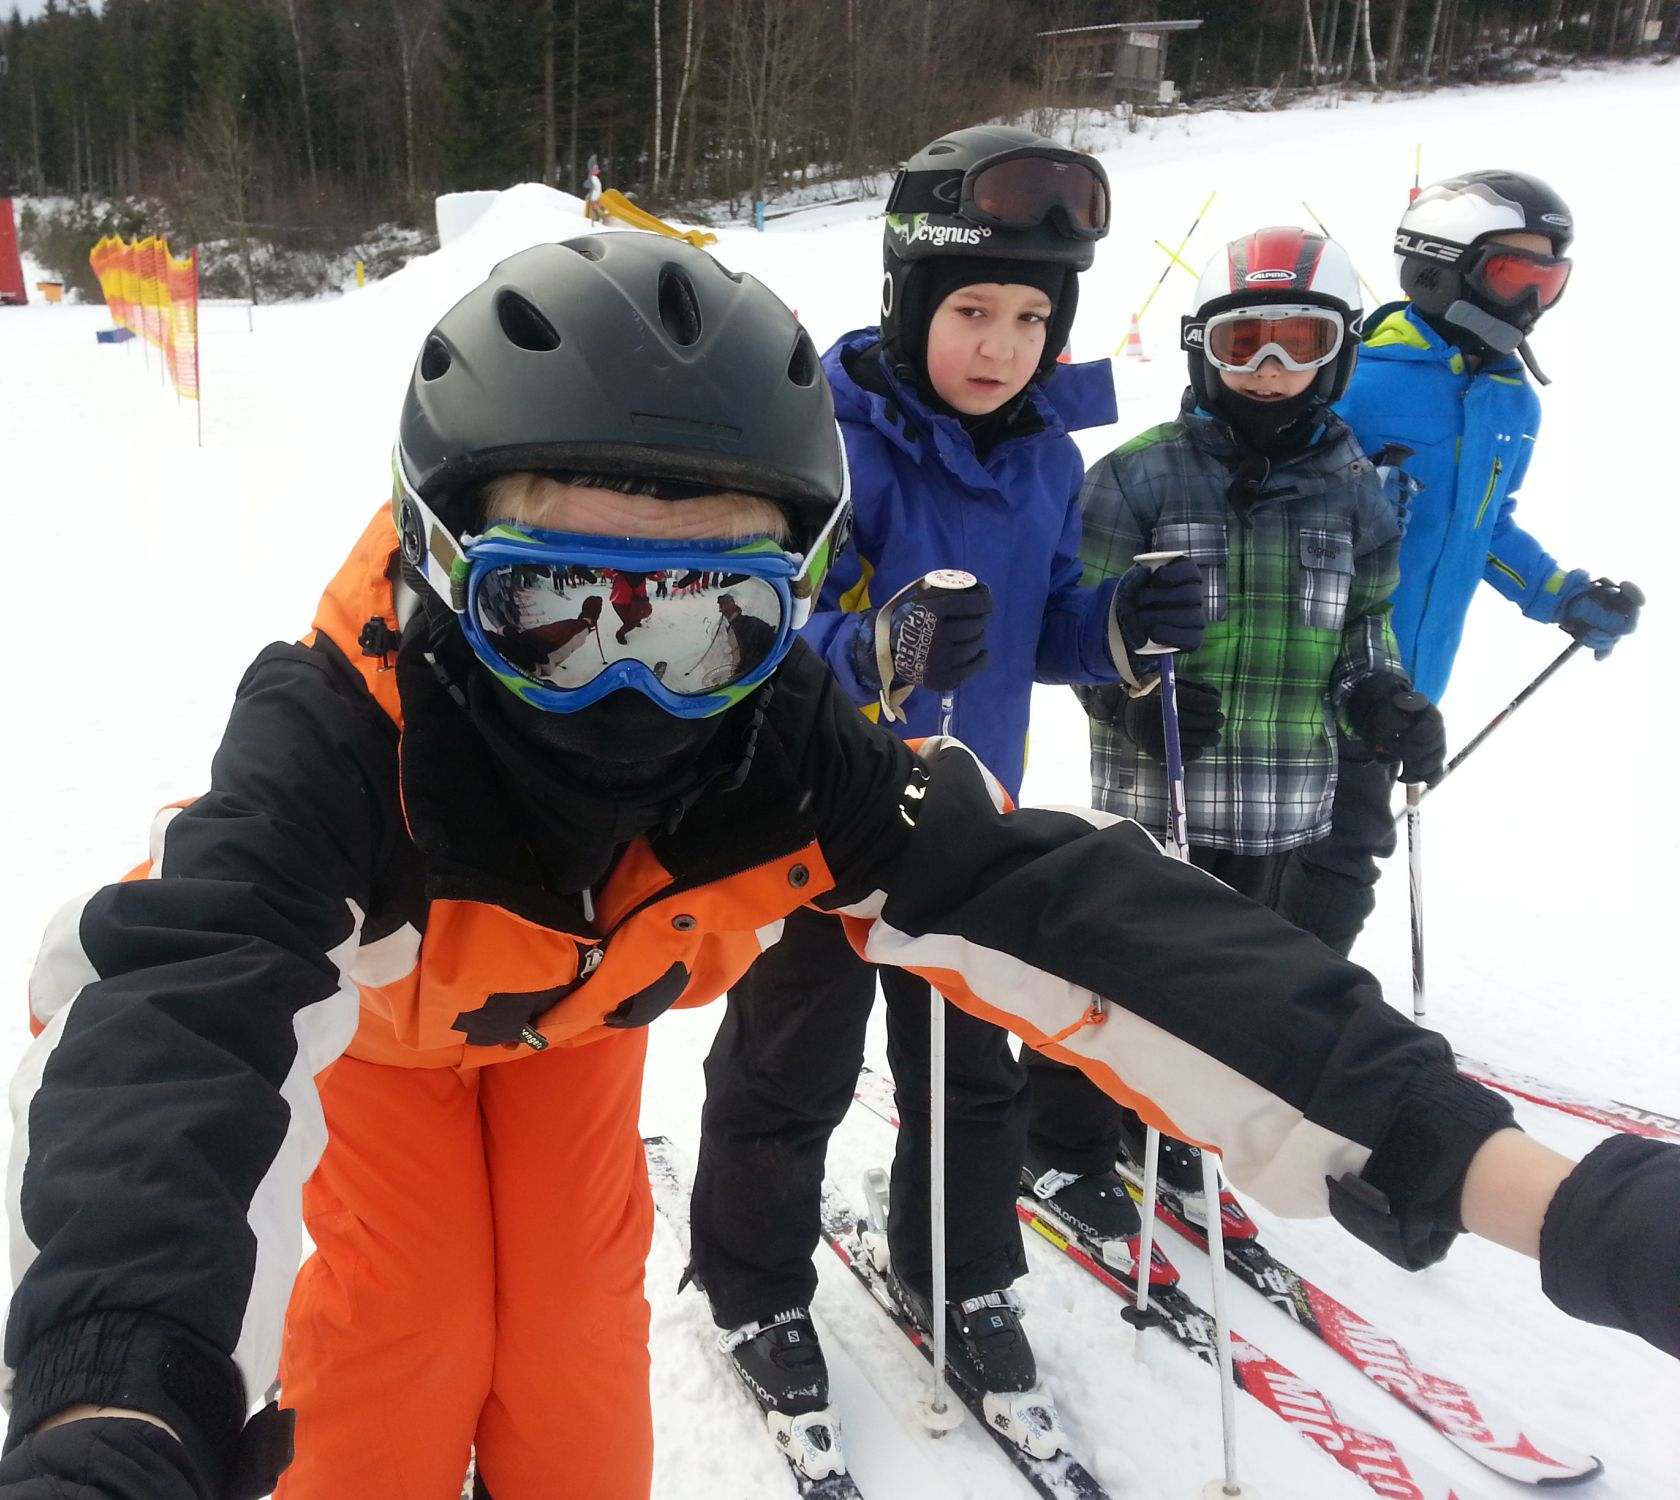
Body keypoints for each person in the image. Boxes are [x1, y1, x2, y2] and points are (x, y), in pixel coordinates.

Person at [0, 234, 1679, 1500]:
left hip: (570, 1036)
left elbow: (1081, 914)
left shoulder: (783, 745)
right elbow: (175, 1014)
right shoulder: (345, 738)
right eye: (553, 607)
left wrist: (1523, 1182)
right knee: (392, 1362)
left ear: (794, 602)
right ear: (438, 572)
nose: (635, 692)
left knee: (570, 1379)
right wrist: (113, 1403)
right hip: (378, 1050)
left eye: (712, 613)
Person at [687, 124, 1208, 1466]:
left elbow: (1035, 627)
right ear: (908, 300)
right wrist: (869, 648)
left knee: (969, 1072)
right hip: (817, 814)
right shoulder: (822, 441)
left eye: (1033, 319)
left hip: (970, 818)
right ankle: (753, 1286)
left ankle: (960, 1270)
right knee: (791, 1064)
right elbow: (746, 629)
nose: (1002, 347)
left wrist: (1117, 626)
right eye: (971, 310)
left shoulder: (1045, 461)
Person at [1023, 227, 1447, 1237]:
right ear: (1200, 348)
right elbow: (1079, 621)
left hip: (1276, 802)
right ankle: (1061, 1140)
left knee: (1221, 994)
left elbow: (1363, 626)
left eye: (1299, 343)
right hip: (1153, 793)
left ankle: (1166, 1128)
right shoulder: (1137, 477)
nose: (1267, 368)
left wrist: (1381, 697)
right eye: (1241, 341)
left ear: (1337, 355)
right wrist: (1126, 697)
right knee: (1108, 972)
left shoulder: (1357, 493)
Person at [1275, 171, 1644, 954]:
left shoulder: (1513, 399)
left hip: (1407, 684)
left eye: (1551, 279)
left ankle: (1284, 994)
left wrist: (1562, 595)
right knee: (1311, 852)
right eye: (1513, 273)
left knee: (1342, 854)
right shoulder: (1356, 378)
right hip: (1310, 669)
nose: (1532, 300)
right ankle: (1268, 998)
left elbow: (1482, 527)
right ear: (1438, 269)